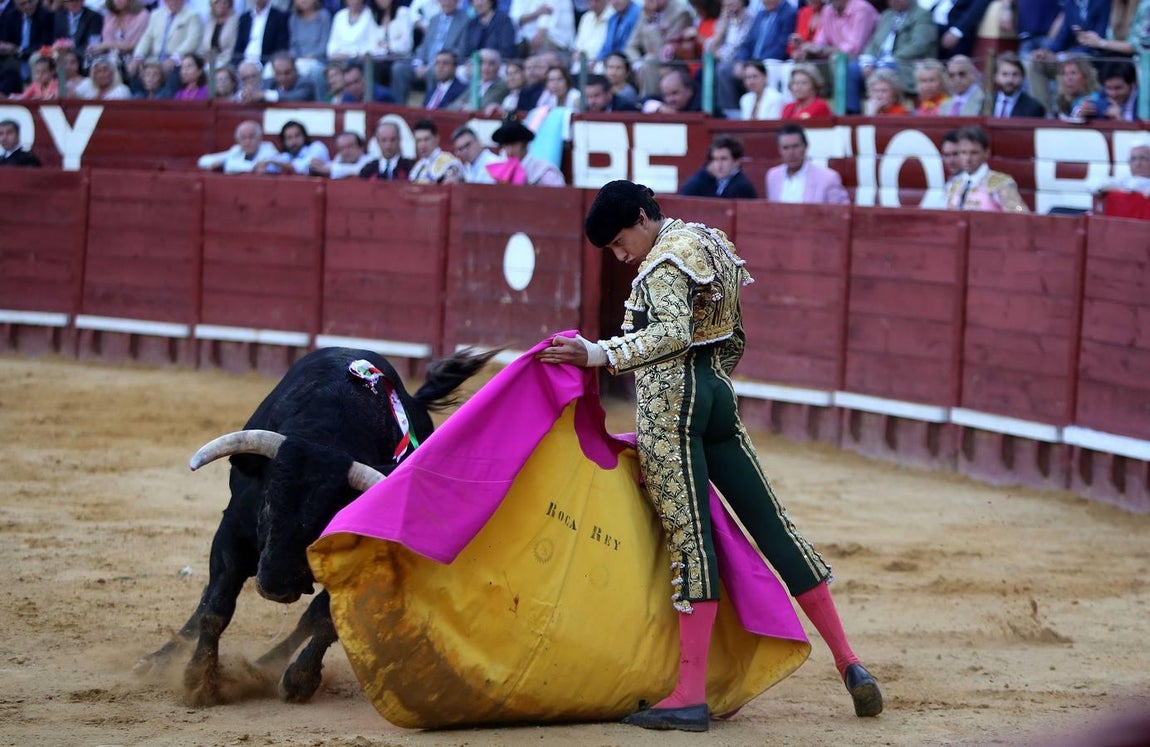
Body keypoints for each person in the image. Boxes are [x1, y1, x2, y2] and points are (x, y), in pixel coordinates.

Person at [535, 180, 882, 732]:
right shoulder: (710, 242)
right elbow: (735, 335)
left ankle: (689, 695)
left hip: (672, 405)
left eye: (622, 242)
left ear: (644, 217)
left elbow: (671, 332)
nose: (622, 256)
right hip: (716, 396)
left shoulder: (663, 263)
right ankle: (850, 661)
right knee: (775, 527)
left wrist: (600, 354)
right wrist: (712, 382)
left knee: (690, 544)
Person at [945, 124, 1028, 212]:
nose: (967, 159)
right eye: (963, 153)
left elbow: (1020, 211)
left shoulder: (1001, 183)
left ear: (986, 153)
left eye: (974, 153)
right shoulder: (954, 184)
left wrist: (1017, 207)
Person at [765, 123, 849, 204]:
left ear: (805, 147)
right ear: (779, 150)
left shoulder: (828, 178)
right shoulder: (773, 176)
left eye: (795, 146)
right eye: (785, 148)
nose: (791, 153)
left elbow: (841, 214)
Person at [487, 117, 565, 186]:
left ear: (524, 144)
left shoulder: (544, 171)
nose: (509, 151)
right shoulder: (501, 171)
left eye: (514, 145)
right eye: (506, 145)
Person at [679, 135, 757, 198]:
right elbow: (685, 194)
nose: (719, 165)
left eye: (724, 159)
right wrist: (704, 172)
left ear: (736, 161)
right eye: (715, 159)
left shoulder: (742, 187)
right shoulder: (709, 179)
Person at [197, 119, 281, 173]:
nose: (247, 141)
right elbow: (203, 160)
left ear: (259, 138)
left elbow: (262, 167)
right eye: (243, 138)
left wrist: (226, 164)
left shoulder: (268, 148)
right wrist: (220, 163)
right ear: (238, 141)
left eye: (251, 137)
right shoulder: (237, 150)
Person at [231, 0, 291, 68]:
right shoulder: (245, 18)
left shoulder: (279, 17)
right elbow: (238, 47)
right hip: (244, 62)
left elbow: (281, 46)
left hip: (266, 62)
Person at [989, 51, 1046, 118]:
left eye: (1015, 74)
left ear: (1022, 76)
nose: (1010, 80)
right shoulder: (986, 102)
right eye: (1005, 74)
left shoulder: (1034, 107)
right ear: (995, 77)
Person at [409, 117, 464, 183]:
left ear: (436, 139)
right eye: (418, 141)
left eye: (426, 139)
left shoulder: (450, 162)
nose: (422, 144)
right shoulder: (417, 168)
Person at [360, 115, 415, 180]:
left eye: (393, 140)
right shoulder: (368, 170)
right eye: (384, 140)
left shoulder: (411, 167)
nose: (388, 145)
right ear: (377, 141)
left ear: (399, 140)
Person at [265, 119, 330, 175]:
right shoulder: (286, 156)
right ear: (284, 141)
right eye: (289, 138)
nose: (294, 141)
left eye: (297, 136)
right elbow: (270, 167)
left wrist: (274, 162)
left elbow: (303, 167)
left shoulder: (317, 147)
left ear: (304, 136)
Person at [1052, 55, 1106, 121]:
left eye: (1073, 73)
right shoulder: (1063, 101)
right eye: (1065, 74)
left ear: (1086, 77)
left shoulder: (1095, 98)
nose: (1068, 78)